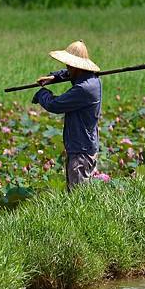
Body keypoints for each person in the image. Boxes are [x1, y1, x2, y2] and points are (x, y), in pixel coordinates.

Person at [31, 40, 102, 191]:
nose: (67, 68)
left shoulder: (84, 89)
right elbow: (71, 75)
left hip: (81, 151)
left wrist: (42, 94)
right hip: (83, 146)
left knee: (78, 198)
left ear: (78, 66)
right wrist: (54, 77)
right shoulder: (92, 79)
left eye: (70, 65)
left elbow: (55, 105)